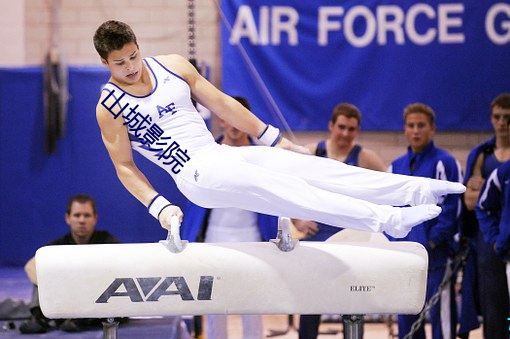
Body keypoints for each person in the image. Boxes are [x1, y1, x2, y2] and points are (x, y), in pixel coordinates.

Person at [93, 20, 464, 247]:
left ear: (139, 46)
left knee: (313, 169)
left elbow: (223, 103)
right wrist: (160, 207)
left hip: (220, 156)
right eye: (119, 63)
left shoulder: (172, 66)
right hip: (194, 174)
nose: (129, 67)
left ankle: (413, 189)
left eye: (132, 56)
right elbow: (124, 167)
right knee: (291, 192)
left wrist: (274, 138)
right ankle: (387, 220)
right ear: (105, 63)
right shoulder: (110, 106)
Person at [181, 96, 278, 339]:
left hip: (254, 239)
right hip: (214, 238)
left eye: (239, 120)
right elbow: (191, 197)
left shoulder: (262, 159)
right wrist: (187, 238)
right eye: (229, 119)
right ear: (221, 120)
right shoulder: (204, 154)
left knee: (253, 306)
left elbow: (275, 199)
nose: (235, 126)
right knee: (215, 305)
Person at [295, 102, 386, 339]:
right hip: (317, 235)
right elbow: (285, 189)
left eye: (351, 129)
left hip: (351, 240)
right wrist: (297, 219)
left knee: (353, 300)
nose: (345, 134)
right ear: (331, 126)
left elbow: (389, 192)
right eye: (341, 127)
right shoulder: (311, 152)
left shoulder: (365, 158)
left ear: (357, 131)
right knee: (310, 302)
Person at [387, 103, 462, 339]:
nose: (416, 131)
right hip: (405, 259)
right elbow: (388, 209)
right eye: (411, 126)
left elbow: (452, 209)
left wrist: (432, 241)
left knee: (442, 320)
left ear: (432, 129)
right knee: (407, 321)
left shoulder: (445, 163)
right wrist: (395, 243)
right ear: (405, 130)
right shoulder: (395, 167)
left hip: (436, 257)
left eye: (421, 125)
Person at [19, 194, 120, 334]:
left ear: (95, 218)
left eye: (87, 215)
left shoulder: (108, 242)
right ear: (68, 218)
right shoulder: (57, 246)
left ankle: (80, 319)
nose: (82, 220)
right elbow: (30, 266)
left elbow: (118, 270)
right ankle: (38, 318)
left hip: (96, 301)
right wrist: (60, 283)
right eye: (77, 215)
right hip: (65, 298)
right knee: (42, 270)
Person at [460, 93, 510, 339]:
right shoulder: (482, 154)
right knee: (493, 304)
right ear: (491, 119)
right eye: (497, 117)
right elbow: (469, 202)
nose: (502, 123)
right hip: (489, 238)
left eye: (507, 118)